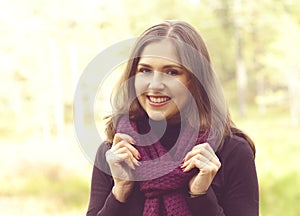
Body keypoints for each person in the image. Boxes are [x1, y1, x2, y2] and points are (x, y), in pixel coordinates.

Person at [86, 20, 259, 216]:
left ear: (194, 80)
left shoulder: (231, 152)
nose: (155, 84)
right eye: (145, 70)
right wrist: (120, 192)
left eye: (172, 72)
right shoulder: (115, 154)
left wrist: (201, 196)